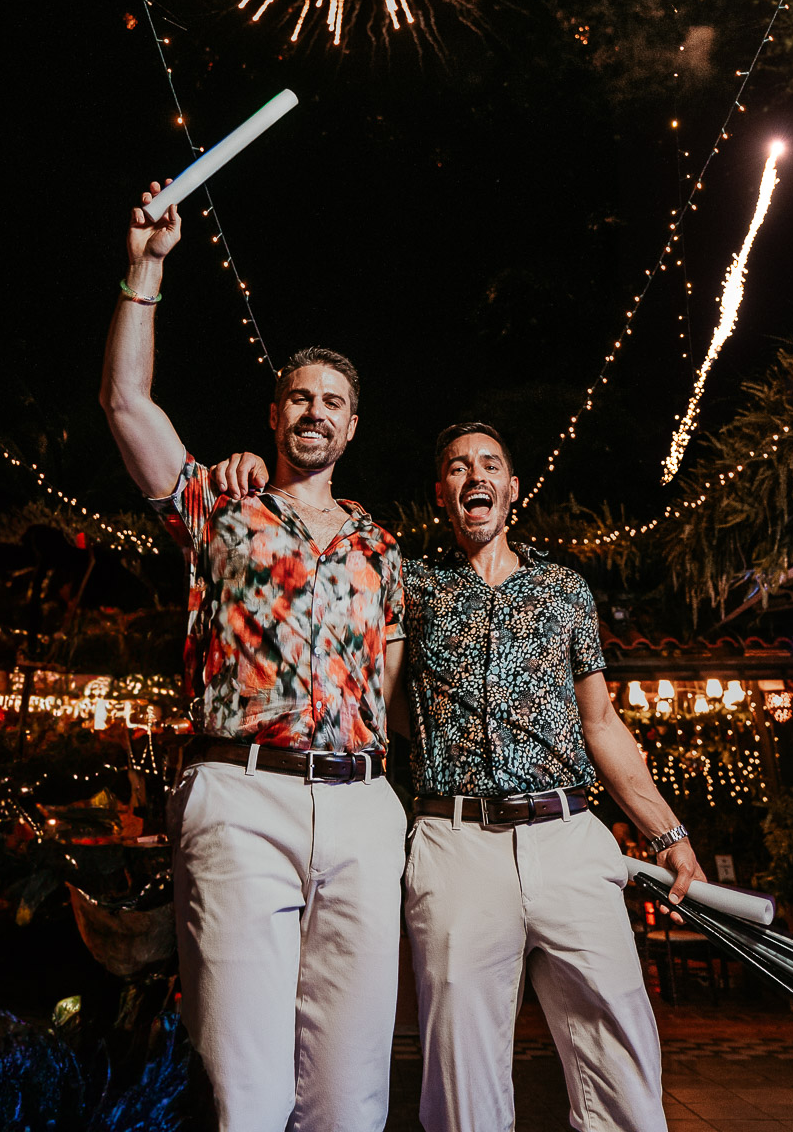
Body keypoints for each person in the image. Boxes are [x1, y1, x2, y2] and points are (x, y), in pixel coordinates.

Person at [213, 422, 705, 1132]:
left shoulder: (563, 589)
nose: (473, 475)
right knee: (461, 1087)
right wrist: (265, 475)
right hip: (455, 843)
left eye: (490, 465)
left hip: (569, 836)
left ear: (510, 489)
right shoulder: (410, 584)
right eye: (455, 467)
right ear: (441, 494)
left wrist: (667, 830)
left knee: (622, 1062)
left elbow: (601, 724)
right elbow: (373, 702)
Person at [100, 181, 407, 1132]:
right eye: (300, 397)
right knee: (246, 1088)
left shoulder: (382, 548)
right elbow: (125, 402)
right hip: (242, 794)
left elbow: (386, 687)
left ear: (353, 427)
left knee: (352, 1095)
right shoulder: (221, 508)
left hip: (360, 803)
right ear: (273, 415)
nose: (315, 411)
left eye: (335, 403)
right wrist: (147, 267)